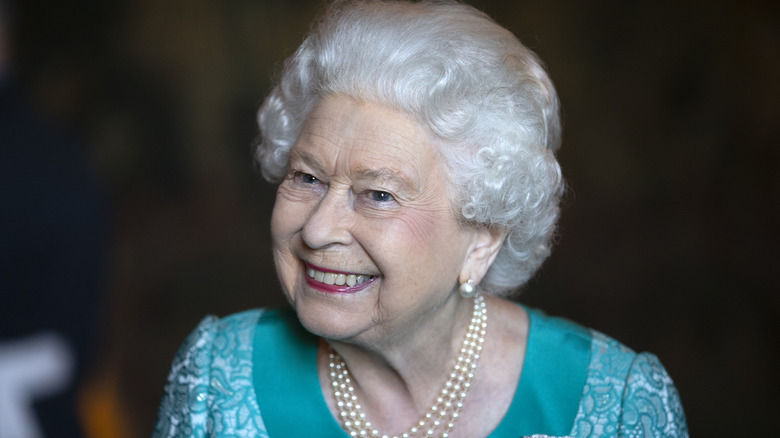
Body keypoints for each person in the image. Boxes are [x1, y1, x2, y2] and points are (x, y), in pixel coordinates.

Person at [153, 1, 687, 436]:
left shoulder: (616, 405)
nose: (317, 230)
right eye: (307, 178)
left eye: (379, 194)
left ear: (482, 237)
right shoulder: (217, 380)